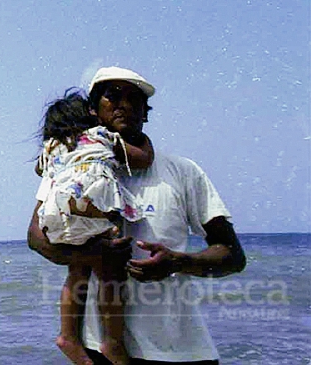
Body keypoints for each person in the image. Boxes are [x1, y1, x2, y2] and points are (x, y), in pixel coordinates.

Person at [28, 67, 247, 365]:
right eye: (113, 96)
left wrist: (178, 262)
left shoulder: (183, 172)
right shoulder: (71, 166)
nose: (125, 105)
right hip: (97, 350)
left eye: (135, 99)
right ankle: (99, 341)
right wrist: (89, 253)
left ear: (146, 113)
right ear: (93, 110)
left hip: (181, 352)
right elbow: (36, 237)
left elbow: (233, 256)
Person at [35, 88, 155, 365]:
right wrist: (145, 142)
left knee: (77, 270)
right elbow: (142, 159)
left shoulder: (52, 146)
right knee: (111, 273)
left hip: (56, 216)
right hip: (91, 211)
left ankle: (68, 336)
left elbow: (40, 171)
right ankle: (112, 342)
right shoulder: (102, 136)